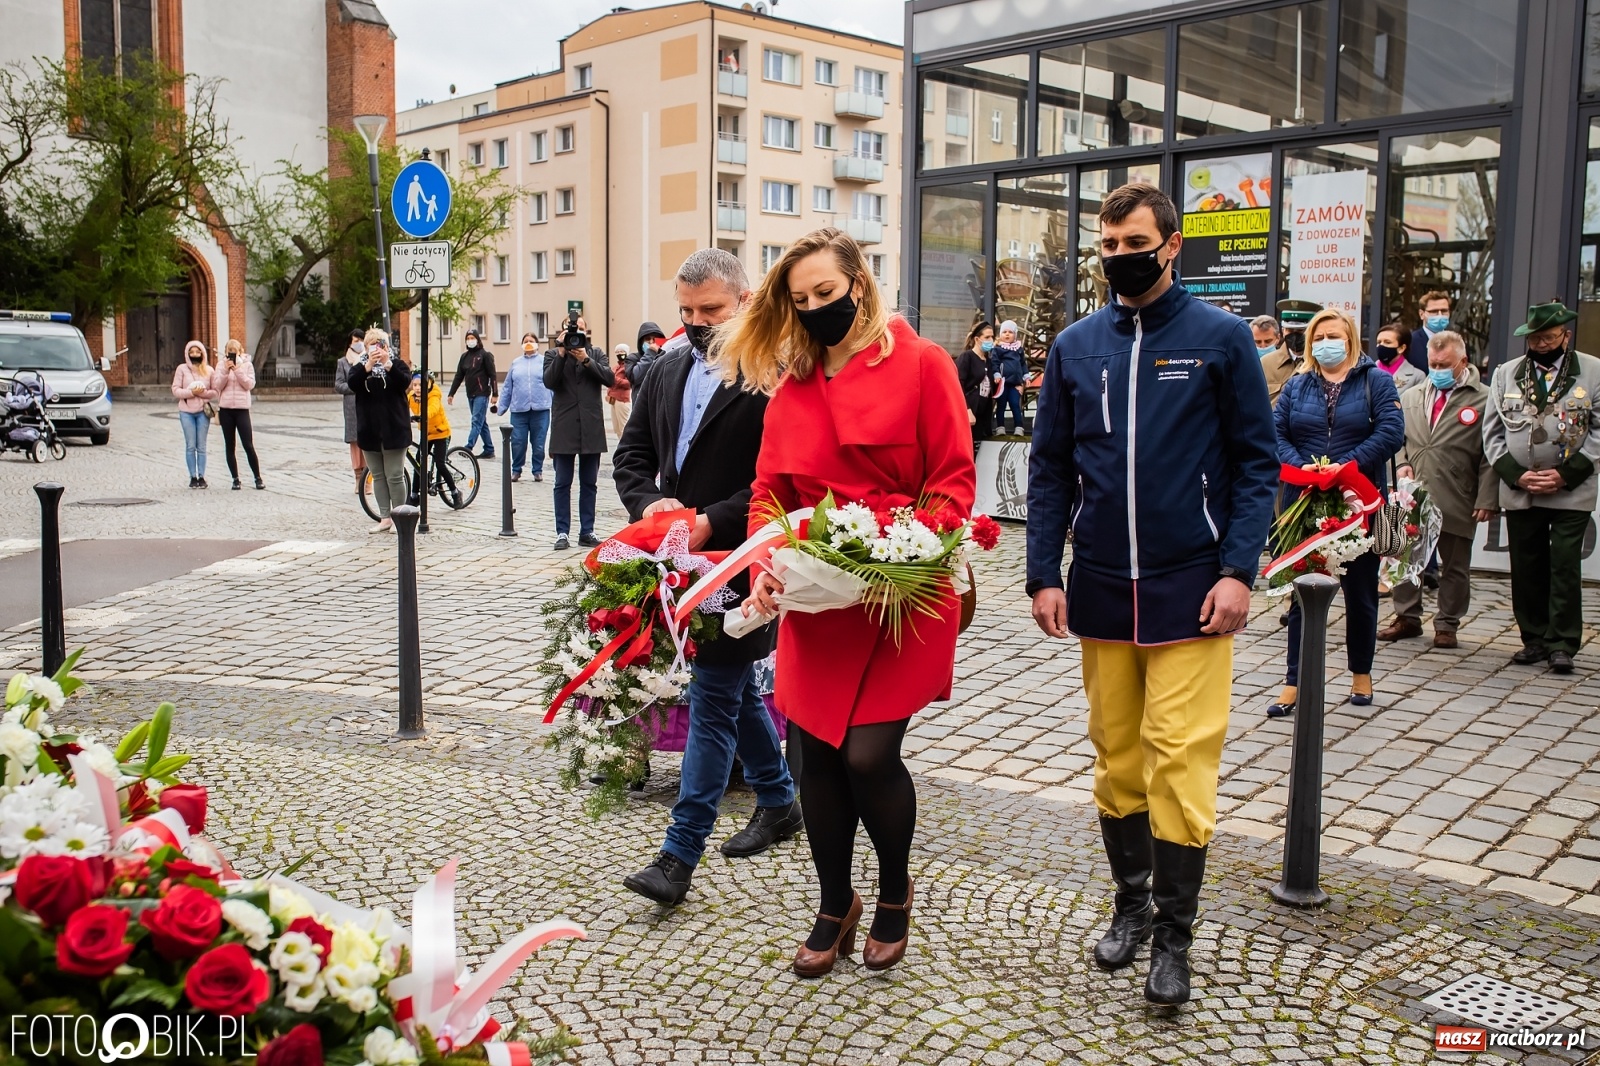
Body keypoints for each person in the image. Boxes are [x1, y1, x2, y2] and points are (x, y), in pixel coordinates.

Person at [1026, 182, 1278, 1006]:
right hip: (1100, 585)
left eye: (1134, 242)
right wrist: (1041, 573)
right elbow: (1052, 467)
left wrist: (1239, 569)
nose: (1120, 258)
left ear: (1171, 245)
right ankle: (1130, 905)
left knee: (1181, 758)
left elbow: (1254, 463)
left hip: (1192, 590)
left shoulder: (1221, 337)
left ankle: (1176, 934)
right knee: (1117, 757)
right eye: (1107, 246)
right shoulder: (1075, 345)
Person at [730, 227, 975, 979]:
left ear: (858, 285)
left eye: (825, 295)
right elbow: (770, 493)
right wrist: (764, 563)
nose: (813, 310)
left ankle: (895, 891)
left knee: (868, 754)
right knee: (813, 761)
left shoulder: (924, 363)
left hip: (904, 591)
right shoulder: (792, 387)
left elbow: (953, 483)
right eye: (800, 301)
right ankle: (836, 904)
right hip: (819, 598)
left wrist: (903, 544)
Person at [612, 248, 799, 907]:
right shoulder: (663, 369)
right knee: (733, 686)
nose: (695, 322)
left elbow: (779, 480)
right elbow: (631, 456)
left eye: (710, 310)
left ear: (745, 302)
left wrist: (710, 522)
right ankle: (779, 801)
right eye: (686, 311)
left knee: (715, 695)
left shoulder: (776, 373)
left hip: (744, 562)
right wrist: (651, 505)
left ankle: (678, 855)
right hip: (678, 558)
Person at [1268, 307, 1406, 717]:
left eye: (1335, 335)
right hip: (1303, 501)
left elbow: (1390, 432)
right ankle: (1294, 680)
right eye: (1320, 336)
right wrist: (1303, 466)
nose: (1328, 343)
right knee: (1301, 596)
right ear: (1310, 343)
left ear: (1350, 339)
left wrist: (1346, 466)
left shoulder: (1376, 381)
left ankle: (1361, 673)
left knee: (1361, 595)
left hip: (1357, 501)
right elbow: (1275, 432)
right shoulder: (1296, 385)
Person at [1483, 299, 1600, 674]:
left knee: (1564, 564)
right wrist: (1515, 474)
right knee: (1527, 564)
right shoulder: (1505, 373)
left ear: (1565, 335)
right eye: (1535, 338)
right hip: (1522, 487)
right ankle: (1533, 638)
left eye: (1549, 337)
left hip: (1572, 488)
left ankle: (1563, 642)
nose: (1542, 344)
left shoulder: (1594, 372)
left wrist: (1566, 474)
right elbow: (1492, 432)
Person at [1379, 331, 1496, 649]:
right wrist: (1402, 462)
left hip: (1458, 492)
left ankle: (1447, 623)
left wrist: (1487, 498)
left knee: (1455, 566)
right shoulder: (1413, 395)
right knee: (1403, 557)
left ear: (1463, 362)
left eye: (1445, 364)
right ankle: (1407, 617)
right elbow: (1396, 437)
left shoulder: (1484, 398)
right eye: (1433, 364)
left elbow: (1490, 455)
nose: (1438, 369)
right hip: (1413, 493)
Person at [544, 314, 614, 549]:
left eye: (580, 330)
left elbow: (609, 378)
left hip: (590, 427)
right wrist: (562, 354)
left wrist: (586, 360)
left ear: (587, 333)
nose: (575, 333)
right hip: (564, 428)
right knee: (562, 482)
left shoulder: (595, 354)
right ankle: (562, 532)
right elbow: (549, 381)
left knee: (589, 483)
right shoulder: (553, 355)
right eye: (571, 329)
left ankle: (587, 531)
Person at [347, 329, 412, 534]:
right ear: (366, 348)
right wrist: (367, 366)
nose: (376, 349)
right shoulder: (360, 367)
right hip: (370, 431)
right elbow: (352, 384)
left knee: (394, 475)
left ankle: (399, 516)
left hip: (394, 429)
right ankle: (385, 518)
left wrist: (387, 364)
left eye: (380, 344)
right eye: (372, 345)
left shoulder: (397, 364)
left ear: (386, 346)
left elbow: (405, 382)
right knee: (378, 475)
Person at [493, 333, 553, 482]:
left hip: (541, 410)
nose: (528, 343)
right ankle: (516, 470)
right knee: (518, 442)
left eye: (531, 341)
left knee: (539, 443)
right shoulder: (516, 363)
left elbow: (552, 384)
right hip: (519, 410)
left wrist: (557, 404)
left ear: (537, 344)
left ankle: (537, 470)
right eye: (525, 341)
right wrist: (502, 407)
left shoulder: (544, 362)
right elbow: (508, 387)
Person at [211, 339, 264, 491]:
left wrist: (237, 369)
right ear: (226, 351)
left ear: (240, 351)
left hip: (242, 409)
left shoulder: (247, 365)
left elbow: (249, 385)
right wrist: (227, 371)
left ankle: (257, 477)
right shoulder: (221, 365)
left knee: (248, 444)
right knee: (230, 444)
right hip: (226, 409)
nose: (232, 352)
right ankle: (235, 479)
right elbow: (217, 385)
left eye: (235, 350)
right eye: (229, 350)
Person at [171, 340, 218, 488]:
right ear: (187, 354)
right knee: (190, 445)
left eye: (198, 352)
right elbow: (176, 390)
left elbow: (215, 391)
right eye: (192, 352)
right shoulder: (182, 369)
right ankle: (192, 476)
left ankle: (202, 476)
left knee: (201, 446)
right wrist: (191, 392)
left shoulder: (209, 370)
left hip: (203, 411)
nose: (195, 355)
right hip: (186, 412)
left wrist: (202, 393)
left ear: (202, 353)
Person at [408, 372, 459, 508]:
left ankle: (455, 492)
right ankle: (414, 495)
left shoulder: (434, 396)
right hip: (426, 434)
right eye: (415, 385)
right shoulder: (412, 397)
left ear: (429, 384)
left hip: (441, 433)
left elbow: (433, 409)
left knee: (440, 463)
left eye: (421, 385)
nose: (417, 388)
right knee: (418, 462)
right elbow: (401, 405)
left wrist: (421, 415)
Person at [447, 328, 498, 458]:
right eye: (468, 338)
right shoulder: (464, 357)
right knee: (481, 421)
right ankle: (489, 448)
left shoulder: (485, 355)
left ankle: (468, 447)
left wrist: (495, 394)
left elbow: (492, 375)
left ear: (477, 339)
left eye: (472, 338)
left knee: (476, 420)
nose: (470, 341)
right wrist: (451, 393)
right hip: (470, 394)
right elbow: (459, 376)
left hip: (482, 393)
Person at [1261, 299, 1318, 406]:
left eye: (1300, 331)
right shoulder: (1266, 363)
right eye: (1290, 331)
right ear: (1283, 330)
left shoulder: (1319, 362)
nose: (1294, 336)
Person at [955, 321, 996, 451]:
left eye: (992, 337)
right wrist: (967, 410)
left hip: (983, 413)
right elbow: (958, 384)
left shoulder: (989, 361)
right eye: (987, 337)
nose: (991, 340)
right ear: (977, 339)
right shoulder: (967, 357)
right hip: (969, 412)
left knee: (978, 448)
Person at [334, 328, 366, 488]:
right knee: (354, 442)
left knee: (368, 441)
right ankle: (358, 477)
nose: (359, 344)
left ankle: (368, 479)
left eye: (361, 340)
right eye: (355, 341)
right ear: (350, 342)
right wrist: (354, 387)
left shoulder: (368, 360)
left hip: (367, 405)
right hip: (351, 407)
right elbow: (338, 384)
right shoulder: (343, 362)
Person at [990, 319, 1028, 434]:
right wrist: (996, 374)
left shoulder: (1019, 349)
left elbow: (1023, 364)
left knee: (1015, 405)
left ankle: (1019, 427)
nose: (1007, 334)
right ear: (1000, 335)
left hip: (1015, 383)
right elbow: (994, 363)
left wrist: (1026, 376)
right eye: (1004, 332)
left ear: (1015, 335)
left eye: (1010, 332)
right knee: (1001, 406)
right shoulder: (997, 349)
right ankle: (1000, 427)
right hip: (1003, 383)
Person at [1373, 321, 1426, 396]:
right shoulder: (1366, 371)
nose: (1381, 346)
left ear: (1401, 348)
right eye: (1379, 342)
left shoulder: (1417, 376)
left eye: (1387, 342)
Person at [1409, 291, 1454, 371]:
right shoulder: (1411, 342)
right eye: (1434, 311)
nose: (1440, 315)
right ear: (1421, 314)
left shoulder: (1456, 341)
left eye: (1444, 311)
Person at [627, 322, 667, 392]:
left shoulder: (665, 357)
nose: (651, 342)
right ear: (641, 342)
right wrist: (650, 353)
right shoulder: (633, 358)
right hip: (642, 401)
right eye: (648, 339)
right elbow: (635, 377)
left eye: (654, 339)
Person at [607, 342, 633, 439]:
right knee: (617, 429)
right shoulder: (616, 367)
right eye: (617, 352)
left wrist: (615, 379)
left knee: (624, 428)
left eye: (622, 351)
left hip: (622, 400)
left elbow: (629, 383)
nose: (619, 354)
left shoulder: (628, 366)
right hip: (613, 400)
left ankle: (626, 450)